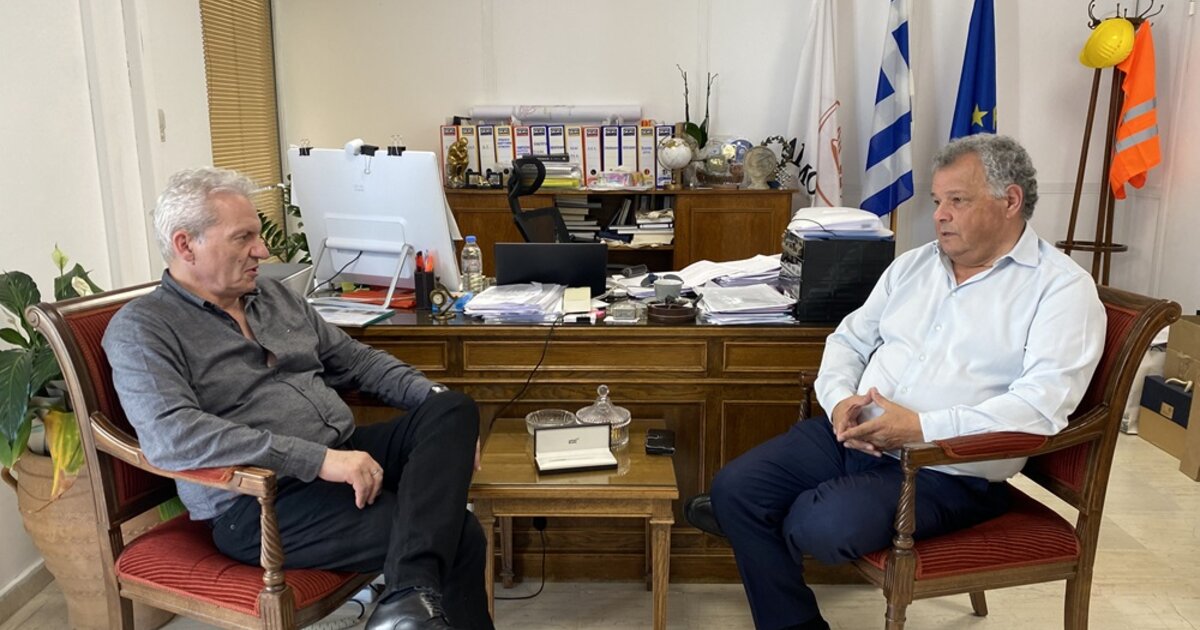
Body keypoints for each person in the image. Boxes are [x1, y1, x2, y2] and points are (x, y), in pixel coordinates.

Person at [684, 134, 1106, 630]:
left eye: (957, 200)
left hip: (947, 469)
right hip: (854, 434)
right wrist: (840, 400)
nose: (939, 215)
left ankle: (771, 524)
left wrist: (921, 427)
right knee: (736, 489)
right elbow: (849, 339)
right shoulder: (914, 265)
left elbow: (1039, 408)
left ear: (1010, 200)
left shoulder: (1061, 289)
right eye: (937, 201)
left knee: (814, 525)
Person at [103, 168, 491, 630]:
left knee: (451, 408)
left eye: (258, 235)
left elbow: (356, 360)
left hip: (344, 455)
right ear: (186, 245)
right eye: (244, 237)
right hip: (259, 500)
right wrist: (319, 460)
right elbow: (174, 436)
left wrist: (436, 408)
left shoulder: (272, 296)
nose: (262, 251)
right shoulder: (143, 328)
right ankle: (407, 601)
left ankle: (405, 601)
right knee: (458, 534)